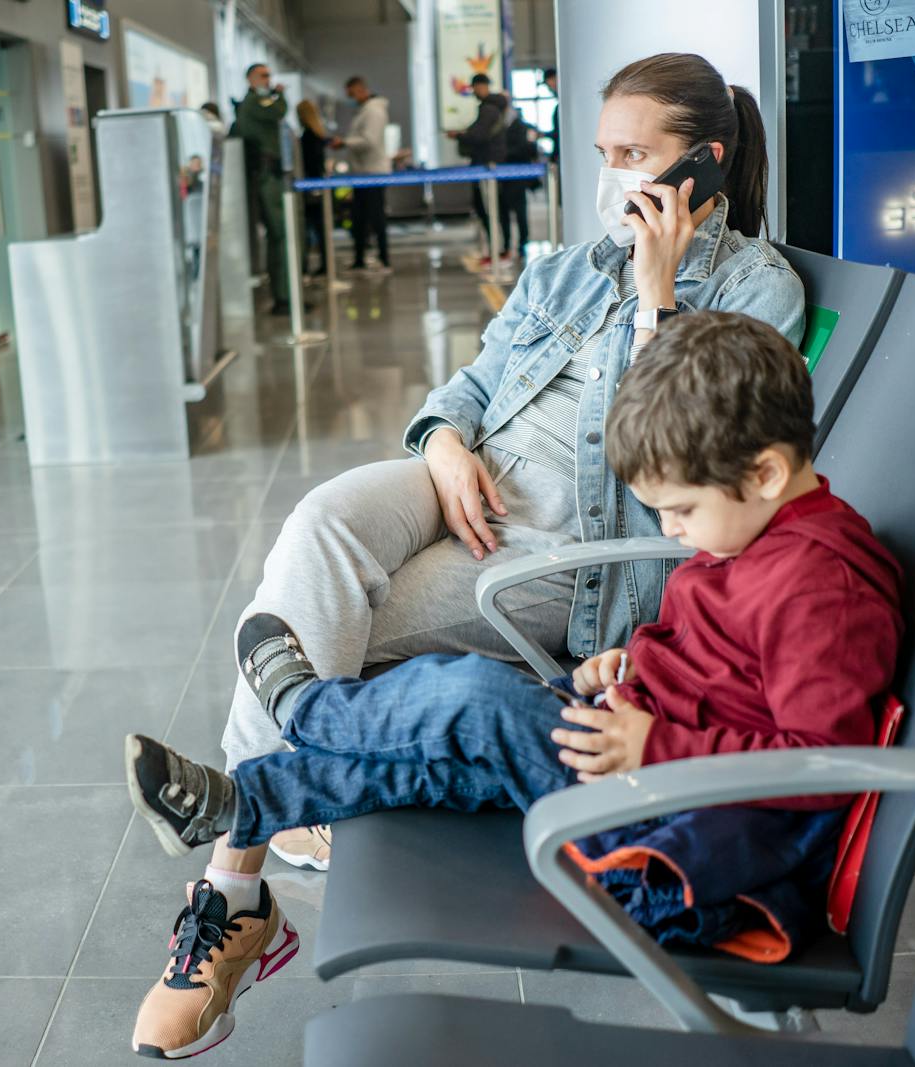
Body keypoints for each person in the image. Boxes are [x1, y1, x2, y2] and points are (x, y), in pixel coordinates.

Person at [129, 50, 805, 1056]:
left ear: (703, 162)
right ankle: (259, 837)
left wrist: (657, 301)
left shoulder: (758, 289)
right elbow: (476, 380)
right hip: (469, 483)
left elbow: (672, 460)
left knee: (325, 634)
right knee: (320, 522)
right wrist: (443, 442)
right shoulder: (573, 267)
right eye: (605, 153)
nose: (618, 177)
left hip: (568, 550)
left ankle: (232, 888)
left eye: (638, 155)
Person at [126, 311, 902, 1058]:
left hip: (674, 849)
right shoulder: (753, 531)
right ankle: (244, 803)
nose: (671, 532)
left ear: (765, 472)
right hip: (635, 768)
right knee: (435, 757)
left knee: (475, 700)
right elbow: (725, 667)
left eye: (680, 511)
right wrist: (631, 664)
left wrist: (653, 743)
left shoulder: (819, 587)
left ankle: (310, 708)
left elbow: (821, 760)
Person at [229, 63, 294, 315]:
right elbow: (279, 111)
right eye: (264, 76)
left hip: (270, 173)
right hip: (267, 175)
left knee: (280, 236)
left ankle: (285, 294)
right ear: (251, 79)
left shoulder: (256, 102)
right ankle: (283, 296)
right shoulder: (255, 103)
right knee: (280, 234)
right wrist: (281, 95)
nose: (269, 80)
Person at [448, 73, 510, 260]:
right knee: (494, 207)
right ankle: (499, 251)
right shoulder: (494, 108)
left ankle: (498, 252)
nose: (474, 91)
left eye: (475, 87)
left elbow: (479, 136)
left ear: (481, 87)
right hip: (490, 164)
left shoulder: (488, 109)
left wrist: (459, 135)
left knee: (490, 208)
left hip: (486, 165)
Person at [338, 75, 391, 272]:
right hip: (361, 173)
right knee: (358, 217)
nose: (351, 98)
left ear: (360, 90)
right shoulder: (364, 111)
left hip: (373, 172)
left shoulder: (374, 112)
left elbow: (370, 141)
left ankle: (384, 259)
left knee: (376, 217)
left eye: (351, 94)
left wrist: (344, 143)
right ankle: (359, 258)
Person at [295, 99, 330, 277]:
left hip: (311, 187)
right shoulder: (318, 135)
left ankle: (308, 267)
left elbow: (310, 163)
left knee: (312, 228)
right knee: (319, 228)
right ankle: (323, 265)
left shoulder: (308, 137)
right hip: (317, 185)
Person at [500, 110, 540, 259]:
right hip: (505, 177)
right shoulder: (503, 127)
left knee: (519, 211)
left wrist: (503, 155)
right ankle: (509, 244)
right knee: (507, 212)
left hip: (516, 176)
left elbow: (529, 149)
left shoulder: (522, 127)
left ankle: (521, 243)